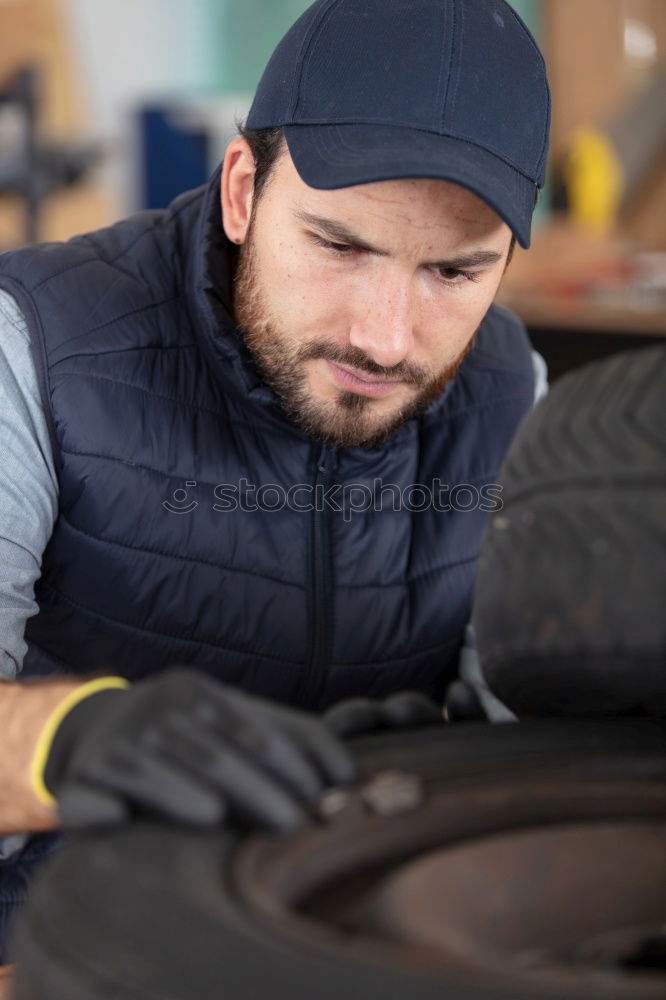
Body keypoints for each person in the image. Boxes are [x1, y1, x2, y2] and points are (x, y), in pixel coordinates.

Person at [0, 0, 550, 960]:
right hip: (63, 953)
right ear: (244, 190)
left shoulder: (514, 390)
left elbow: (542, 774)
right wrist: (69, 739)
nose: (383, 337)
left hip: (361, 957)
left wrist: (452, 759)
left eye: (455, 273)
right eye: (341, 246)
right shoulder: (31, 348)